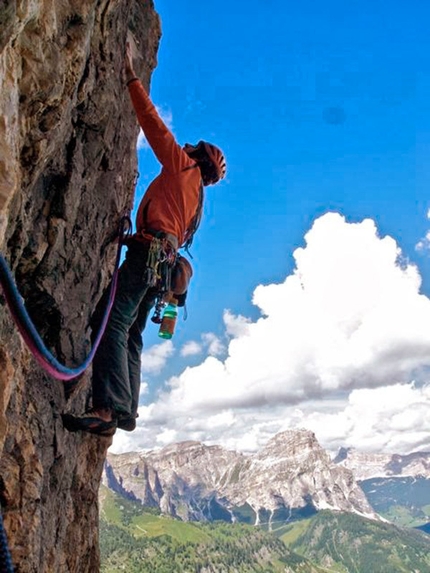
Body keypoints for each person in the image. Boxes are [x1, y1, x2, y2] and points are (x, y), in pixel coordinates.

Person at [62, 43, 226, 436]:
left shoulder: (183, 168)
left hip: (146, 256)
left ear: (197, 158)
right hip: (161, 264)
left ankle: (107, 410)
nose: (186, 146)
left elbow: (153, 125)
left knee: (113, 321)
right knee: (132, 331)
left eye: (193, 148)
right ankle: (127, 408)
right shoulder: (195, 203)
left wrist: (131, 76)